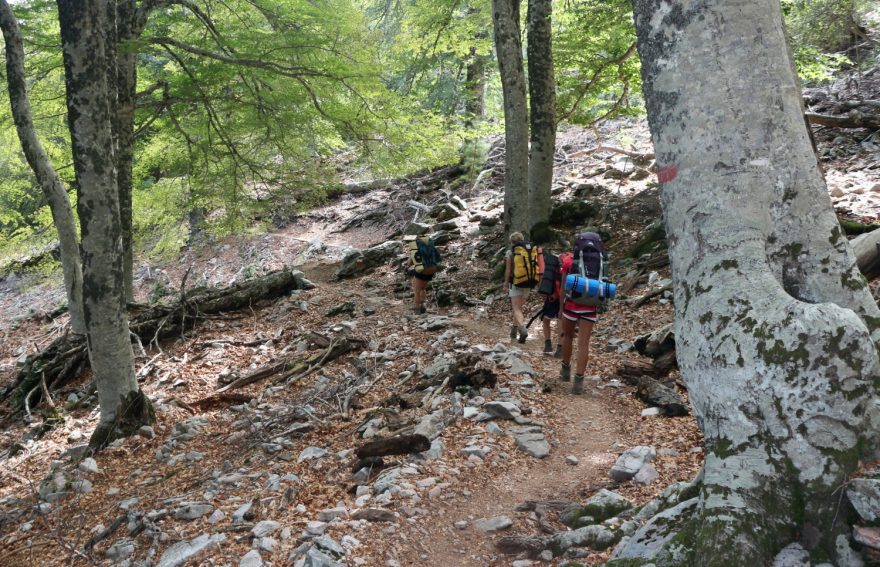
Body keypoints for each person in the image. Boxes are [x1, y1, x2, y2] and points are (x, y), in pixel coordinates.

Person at [559, 236, 602, 394]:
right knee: (584, 343)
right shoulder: (599, 262)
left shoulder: (569, 262)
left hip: (571, 305)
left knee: (568, 337)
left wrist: (560, 309)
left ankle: (565, 370)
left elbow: (563, 288)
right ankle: (578, 381)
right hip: (590, 306)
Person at [503, 232, 542, 343]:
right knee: (519, 308)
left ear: (512, 242)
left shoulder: (511, 252)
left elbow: (508, 270)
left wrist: (506, 283)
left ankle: (522, 329)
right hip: (529, 281)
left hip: (516, 282)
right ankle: (514, 331)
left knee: (516, 308)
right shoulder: (530, 252)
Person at [408, 236, 440, 314]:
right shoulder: (432, 248)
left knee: (417, 290)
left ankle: (417, 309)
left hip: (421, 271)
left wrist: (408, 265)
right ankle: (423, 305)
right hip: (432, 270)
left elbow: (410, 262)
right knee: (423, 288)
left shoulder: (416, 249)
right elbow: (438, 259)